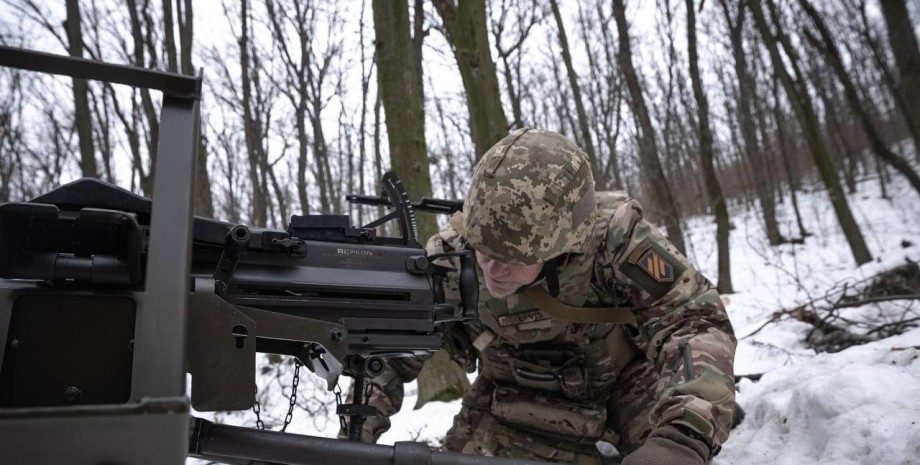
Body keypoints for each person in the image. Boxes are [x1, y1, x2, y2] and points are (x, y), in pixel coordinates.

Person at [360, 129, 737, 465]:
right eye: (483, 250)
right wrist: (356, 431)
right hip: (509, 394)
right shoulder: (450, 256)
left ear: (562, 246)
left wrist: (683, 435)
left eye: (512, 258)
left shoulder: (615, 239)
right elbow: (391, 353)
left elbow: (694, 323)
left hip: (622, 389)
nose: (492, 270)